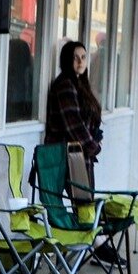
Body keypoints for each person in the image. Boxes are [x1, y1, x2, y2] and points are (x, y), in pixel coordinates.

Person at [46, 40, 104, 186]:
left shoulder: (80, 84)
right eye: (75, 58)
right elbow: (74, 125)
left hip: (79, 154)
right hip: (70, 156)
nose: (80, 62)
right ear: (67, 60)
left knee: (84, 204)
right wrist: (93, 146)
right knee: (84, 204)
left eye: (84, 57)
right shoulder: (65, 84)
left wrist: (94, 138)